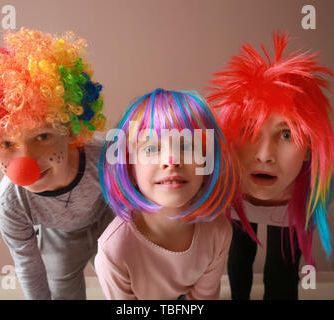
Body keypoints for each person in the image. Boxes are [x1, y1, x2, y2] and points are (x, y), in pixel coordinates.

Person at [0, 28, 114, 300]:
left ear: (70, 131)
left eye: (42, 136)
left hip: (108, 219)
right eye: (7, 144)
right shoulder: (10, 202)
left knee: (130, 265)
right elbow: (28, 265)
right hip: (60, 237)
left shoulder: (105, 157)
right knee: (60, 286)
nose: (26, 159)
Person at [207, 32, 334, 300]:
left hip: (293, 205)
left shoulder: (317, 184)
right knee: (238, 254)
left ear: (310, 148)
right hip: (237, 201)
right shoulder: (223, 179)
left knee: (283, 265)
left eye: (287, 134)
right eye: (249, 130)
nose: (265, 156)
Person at [95, 88, 235, 299]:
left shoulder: (218, 232)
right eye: (151, 149)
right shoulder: (114, 251)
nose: (171, 160)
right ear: (130, 169)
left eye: (187, 146)